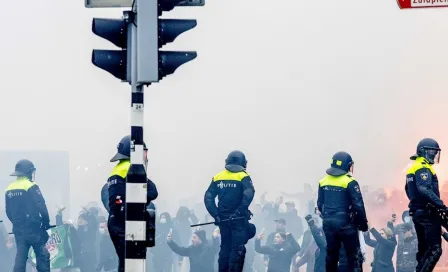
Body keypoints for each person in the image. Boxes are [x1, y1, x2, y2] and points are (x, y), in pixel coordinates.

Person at [103, 135, 159, 272]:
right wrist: (139, 201)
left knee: (125, 263)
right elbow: (153, 191)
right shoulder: (132, 168)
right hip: (127, 222)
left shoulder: (116, 169)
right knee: (133, 263)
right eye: (144, 152)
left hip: (115, 221)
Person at [204, 150, 255, 271]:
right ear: (244, 163)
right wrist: (239, 212)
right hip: (238, 221)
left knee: (225, 248)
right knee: (238, 249)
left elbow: (208, 196)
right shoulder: (243, 176)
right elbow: (249, 194)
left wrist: (215, 214)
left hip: (223, 220)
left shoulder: (218, 176)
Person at [317, 151, 368, 272]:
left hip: (328, 224)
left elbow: (320, 204)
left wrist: (328, 218)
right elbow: (358, 205)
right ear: (347, 165)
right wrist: (363, 224)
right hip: (346, 225)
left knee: (331, 255)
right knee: (353, 256)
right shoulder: (350, 182)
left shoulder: (323, 181)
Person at [405, 138, 445, 272]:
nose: (434, 154)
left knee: (423, 250)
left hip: (418, 214)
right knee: (435, 250)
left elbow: (408, 190)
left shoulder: (413, 167)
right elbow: (424, 189)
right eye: (432, 151)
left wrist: (416, 205)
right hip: (428, 214)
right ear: (423, 152)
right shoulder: (423, 167)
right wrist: (441, 205)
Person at [5, 159, 50, 272]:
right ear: (29, 172)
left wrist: (17, 222)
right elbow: (41, 206)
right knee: (42, 255)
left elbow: (8, 211)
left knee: (20, 257)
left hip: (18, 229)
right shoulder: (31, 186)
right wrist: (46, 223)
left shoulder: (9, 188)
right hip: (34, 228)